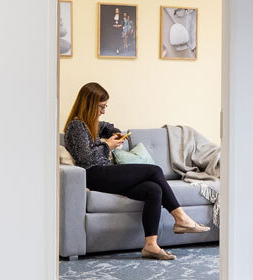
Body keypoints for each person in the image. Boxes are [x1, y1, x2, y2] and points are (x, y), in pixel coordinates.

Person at [63, 82, 210, 261]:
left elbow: (107, 126)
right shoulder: (76, 126)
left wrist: (116, 133)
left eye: (105, 107)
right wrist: (107, 145)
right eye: (101, 107)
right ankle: (181, 218)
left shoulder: (90, 124)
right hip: (93, 174)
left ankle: (151, 246)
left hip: (104, 173)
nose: (103, 111)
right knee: (154, 171)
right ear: (89, 104)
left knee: (153, 190)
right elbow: (85, 159)